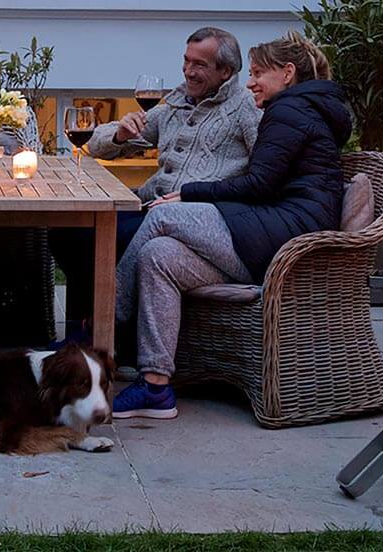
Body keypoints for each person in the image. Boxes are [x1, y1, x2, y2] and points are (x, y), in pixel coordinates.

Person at [112, 31, 352, 420]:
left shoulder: (289, 112)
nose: (252, 81)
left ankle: (105, 325)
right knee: (160, 256)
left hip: (287, 237)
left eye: (259, 73)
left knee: (161, 214)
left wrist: (191, 192)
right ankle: (155, 385)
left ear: (287, 73)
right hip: (271, 229)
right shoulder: (299, 109)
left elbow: (259, 182)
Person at [48, 27, 261, 342]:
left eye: (199, 64)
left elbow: (267, 166)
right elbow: (96, 145)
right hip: (149, 205)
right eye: (186, 61)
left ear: (226, 72)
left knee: (106, 238)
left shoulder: (244, 106)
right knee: (71, 231)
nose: (188, 70)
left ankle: (99, 335)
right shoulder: (176, 104)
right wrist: (121, 133)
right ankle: (85, 330)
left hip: (190, 216)